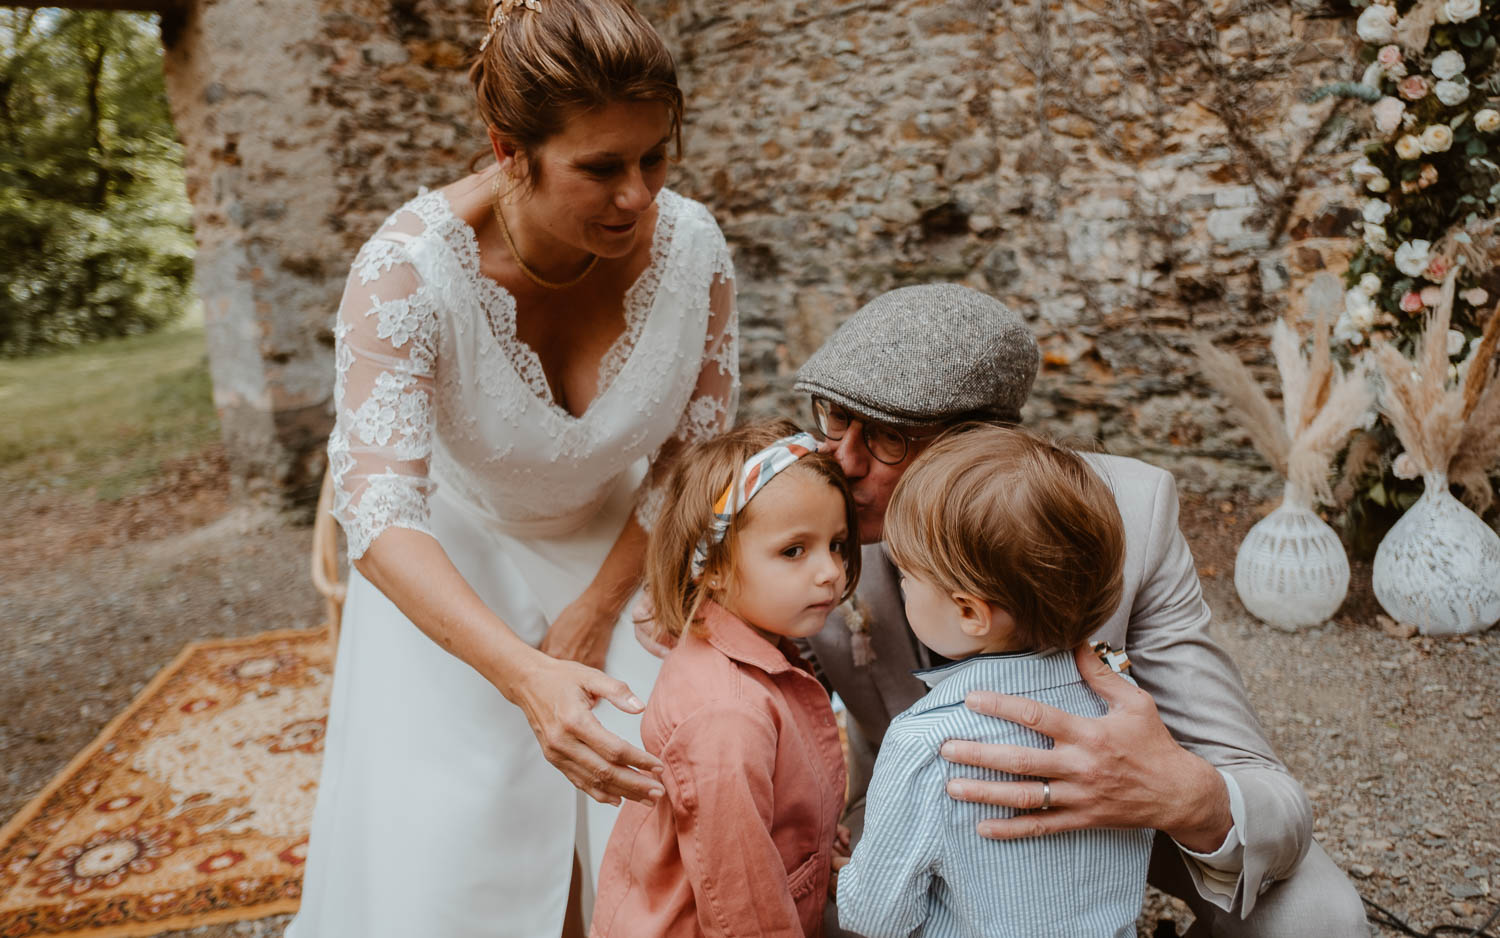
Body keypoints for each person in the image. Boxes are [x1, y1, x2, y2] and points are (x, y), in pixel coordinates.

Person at [288, 1, 738, 935]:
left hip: (627, 549)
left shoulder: (694, 249)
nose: (638, 196)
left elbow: (690, 462)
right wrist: (526, 672)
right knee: (464, 854)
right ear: (509, 148)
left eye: (655, 157)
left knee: (657, 800)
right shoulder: (407, 273)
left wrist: (597, 612)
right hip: (449, 570)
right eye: (600, 168)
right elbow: (377, 512)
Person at [794, 284, 1368, 936]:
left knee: (1320, 918)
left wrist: (1181, 794)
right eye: (833, 416)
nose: (843, 460)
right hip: (911, 806)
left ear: (975, 448)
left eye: (890, 438)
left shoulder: (1129, 514)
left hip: (1114, 810)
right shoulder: (800, 524)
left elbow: (1266, 791)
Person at [836, 425, 1153, 938]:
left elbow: (875, 917)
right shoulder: (1122, 718)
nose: (900, 586)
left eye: (905, 576)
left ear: (969, 612)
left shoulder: (926, 741)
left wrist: (850, 878)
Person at [591, 421, 856, 937]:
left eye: (838, 545)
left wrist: (813, 836)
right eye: (794, 551)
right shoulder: (727, 713)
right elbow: (744, 906)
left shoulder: (760, 656)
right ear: (711, 566)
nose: (830, 571)